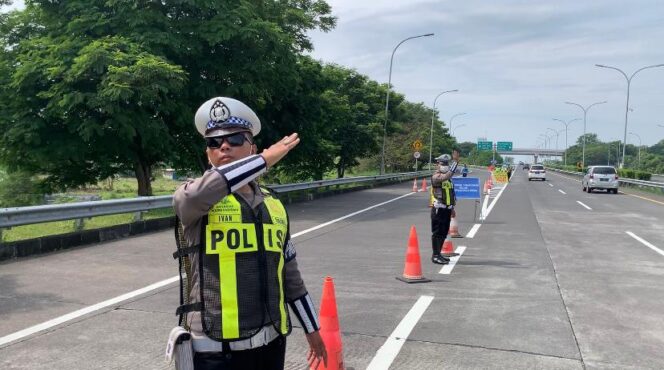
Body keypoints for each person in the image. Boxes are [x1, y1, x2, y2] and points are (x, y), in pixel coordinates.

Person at [172, 97, 326, 370]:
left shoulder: (273, 205)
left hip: (271, 343)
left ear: (252, 146)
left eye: (235, 139)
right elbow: (203, 191)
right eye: (214, 143)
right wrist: (265, 160)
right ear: (208, 153)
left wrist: (312, 328)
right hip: (215, 350)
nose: (224, 146)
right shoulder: (194, 197)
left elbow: (290, 275)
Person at [430, 153, 458, 264]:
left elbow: (450, 193)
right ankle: (435, 255)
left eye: (447, 163)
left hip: (446, 209)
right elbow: (446, 176)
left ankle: (439, 253)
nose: (445, 165)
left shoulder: (449, 180)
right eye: (443, 163)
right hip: (438, 209)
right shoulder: (436, 176)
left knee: (444, 232)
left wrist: (452, 208)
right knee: (437, 232)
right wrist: (455, 163)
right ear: (438, 164)